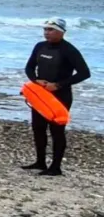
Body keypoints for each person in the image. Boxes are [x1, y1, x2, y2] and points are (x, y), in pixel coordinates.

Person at [22, 18, 90, 176]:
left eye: (51, 30)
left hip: (60, 96)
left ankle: (56, 167)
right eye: (45, 29)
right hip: (41, 94)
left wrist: (58, 85)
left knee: (57, 131)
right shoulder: (40, 46)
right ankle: (40, 162)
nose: (47, 32)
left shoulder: (68, 50)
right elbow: (29, 67)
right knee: (38, 128)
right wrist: (36, 80)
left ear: (61, 32)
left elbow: (84, 73)